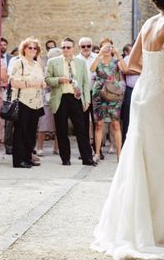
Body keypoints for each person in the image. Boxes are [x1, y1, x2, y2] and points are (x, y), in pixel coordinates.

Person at [91, 0, 164, 259]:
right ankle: (155, 232)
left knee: (139, 158)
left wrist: (152, 68)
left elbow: (129, 63)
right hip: (159, 96)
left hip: (142, 93)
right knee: (159, 163)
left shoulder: (147, 24)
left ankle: (136, 227)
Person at [45, 38, 95, 166]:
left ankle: (87, 158)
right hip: (60, 98)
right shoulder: (53, 62)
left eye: (68, 47)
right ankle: (65, 159)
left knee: (81, 130)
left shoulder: (80, 62)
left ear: (73, 49)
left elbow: (85, 83)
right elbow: (47, 79)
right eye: (63, 47)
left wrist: (87, 101)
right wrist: (59, 80)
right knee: (61, 130)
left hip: (76, 98)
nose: (65, 50)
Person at [9, 38, 46, 168]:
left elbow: (42, 80)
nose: (32, 50)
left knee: (31, 132)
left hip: (36, 102)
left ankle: (28, 157)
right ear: (24, 49)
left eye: (35, 48)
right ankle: (19, 160)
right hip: (23, 101)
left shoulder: (37, 64)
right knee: (20, 131)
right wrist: (32, 83)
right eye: (29, 47)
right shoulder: (19, 63)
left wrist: (42, 83)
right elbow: (13, 82)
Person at [91, 38, 125, 161]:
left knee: (116, 124)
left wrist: (118, 54)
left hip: (113, 94)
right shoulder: (98, 60)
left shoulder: (116, 61)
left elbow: (125, 69)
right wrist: (99, 54)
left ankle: (119, 154)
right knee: (99, 124)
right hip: (99, 94)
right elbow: (92, 69)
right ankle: (97, 153)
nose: (107, 49)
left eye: (109, 46)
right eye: (104, 47)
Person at [36, 47, 60, 156]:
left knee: (59, 124)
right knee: (43, 123)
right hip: (47, 99)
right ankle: (39, 147)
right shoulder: (45, 69)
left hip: (59, 98)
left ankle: (57, 148)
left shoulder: (61, 68)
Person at [118, 43, 138, 145]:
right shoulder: (126, 59)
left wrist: (131, 70)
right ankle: (125, 143)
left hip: (141, 90)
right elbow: (124, 70)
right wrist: (138, 71)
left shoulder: (144, 57)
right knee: (127, 117)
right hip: (129, 89)